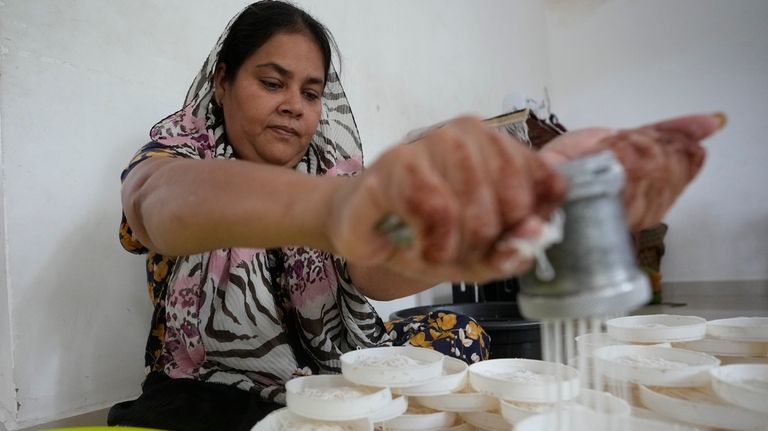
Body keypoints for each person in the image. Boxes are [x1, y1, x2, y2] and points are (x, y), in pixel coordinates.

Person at [109, 1, 724, 429]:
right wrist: (337, 210)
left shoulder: (332, 167)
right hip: (215, 389)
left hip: (328, 369)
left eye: (311, 92)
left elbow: (373, 272)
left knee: (460, 334)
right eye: (272, 83)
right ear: (222, 83)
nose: (294, 107)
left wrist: (470, 224)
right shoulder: (184, 147)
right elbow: (155, 206)